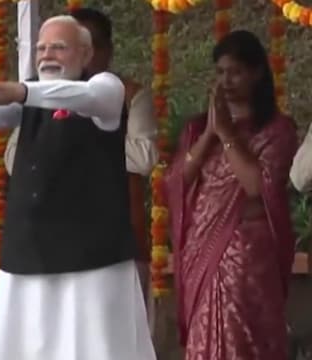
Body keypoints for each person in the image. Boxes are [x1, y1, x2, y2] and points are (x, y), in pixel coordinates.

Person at [0, 15, 156, 360]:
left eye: (59, 47)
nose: (46, 55)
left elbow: (80, 97)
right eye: (41, 48)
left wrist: (21, 91)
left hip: (92, 258)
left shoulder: (106, 88)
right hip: (29, 253)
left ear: (86, 54)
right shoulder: (28, 98)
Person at [4, 7, 158, 297]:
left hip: (110, 239)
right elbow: (14, 159)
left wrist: (80, 149)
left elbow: (145, 155)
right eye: (56, 47)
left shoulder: (127, 93)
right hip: (46, 244)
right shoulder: (38, 94)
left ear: (102, 51)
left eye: (90, 45)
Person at [164, 30, 297, 360]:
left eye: (235, 72)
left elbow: (258, 186)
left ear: (257, 73)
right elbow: (177, 180)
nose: (226, 81)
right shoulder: (199, 129)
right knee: (203, 334)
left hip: (246, 254)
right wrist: (210, 132)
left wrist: (225, 134)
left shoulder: (276, 130)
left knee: (242, 337)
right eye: (220, 72)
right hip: (201, 246)